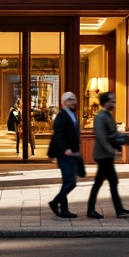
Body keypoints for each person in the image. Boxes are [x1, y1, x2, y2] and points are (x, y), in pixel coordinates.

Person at [86, 91, 129, 220]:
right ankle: (117, 210)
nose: (114, 103)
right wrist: (111, 150)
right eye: (111, 101)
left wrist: (123, 135)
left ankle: (94, 209)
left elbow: (111, 133)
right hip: (103, 155)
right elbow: (101, 136)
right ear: (105, 102)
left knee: (101, 182)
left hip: (106, 155)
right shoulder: (101, 116)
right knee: (111, 181)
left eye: (114, 101)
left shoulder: (107, 115)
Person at [46, 91, 82, 219]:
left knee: (67, 182)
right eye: (70, 100)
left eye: (74, 99)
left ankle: (64, 210)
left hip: (72, 154)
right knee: (70, 183)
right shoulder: (62, 116)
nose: (73, 102)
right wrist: (65, 148)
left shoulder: (74, 116)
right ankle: (55, 202)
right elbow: (59, 135)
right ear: (64, 103)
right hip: (64, 154)